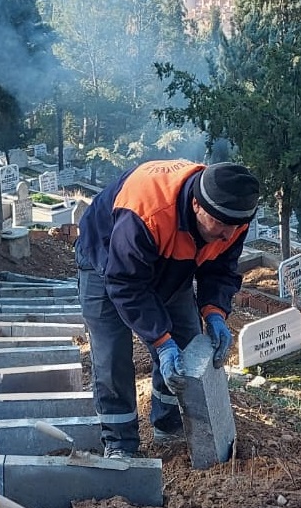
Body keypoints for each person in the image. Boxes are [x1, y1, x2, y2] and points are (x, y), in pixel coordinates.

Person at [75, 160, 261, 459]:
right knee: (112, 356)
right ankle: (120, 444)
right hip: (107, 261)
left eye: (235, 227)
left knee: (187, 340)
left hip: (172, 261)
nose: (228, 235)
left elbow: (221, 268)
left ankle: (168, 424)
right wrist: (161, 340)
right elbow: (125, 284)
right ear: (198, 205)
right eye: (222, 227)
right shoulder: (146, 212)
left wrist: (214, 311)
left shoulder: (232, 215)